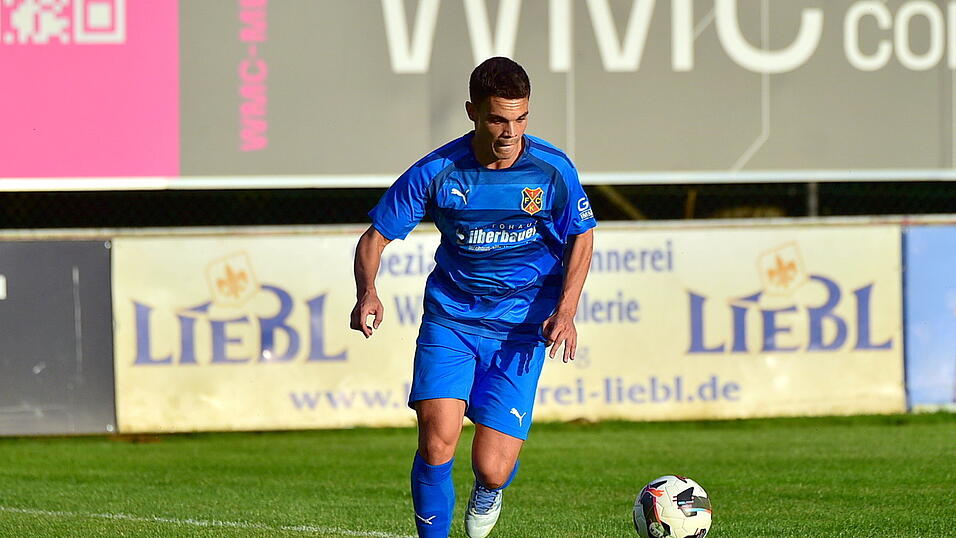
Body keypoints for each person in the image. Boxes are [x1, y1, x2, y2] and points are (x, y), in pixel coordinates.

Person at [350, 56, 595, 538]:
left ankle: (490, 489)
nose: (510, 131)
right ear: (472, 112)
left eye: (520, 118)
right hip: (452, 321)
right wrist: (368, 292)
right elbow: (375, 237)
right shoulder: (438, 170)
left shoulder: (552, 170)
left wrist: (565, 313)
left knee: (492, 467)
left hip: (522, 328)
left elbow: (582, 237)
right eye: (498, 119)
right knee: (438, 441)